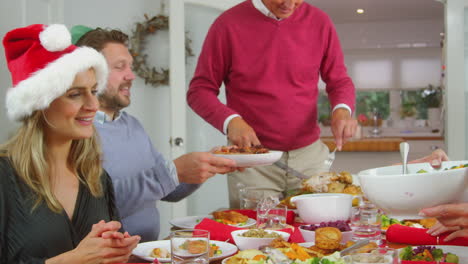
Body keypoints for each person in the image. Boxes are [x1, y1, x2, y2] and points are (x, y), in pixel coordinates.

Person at [71, 26, 238, 242]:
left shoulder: (133, 126)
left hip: (150, 252)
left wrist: (208, 163)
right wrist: (173, 172)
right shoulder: (76, 133)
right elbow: (95, 205)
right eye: (120, 67)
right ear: (90, 74)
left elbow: (168, 190)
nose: (131, 75)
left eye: (130, 66)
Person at [187, 0, 357, 207]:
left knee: (317, 233)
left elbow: (339, 81)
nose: (289, 4)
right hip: (253, 161)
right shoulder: (228, 24)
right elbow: (199, 91)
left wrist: (342, 110)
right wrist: (231, 121)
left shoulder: (319, 21)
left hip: (309, 156)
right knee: (258, 235)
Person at [0, 24, 140, 263]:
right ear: (39, 104)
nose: (93, 105)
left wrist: (116, 253)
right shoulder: (5, 177)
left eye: (93, 91)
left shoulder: (97, 178)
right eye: (75, 94)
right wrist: (72, 260)